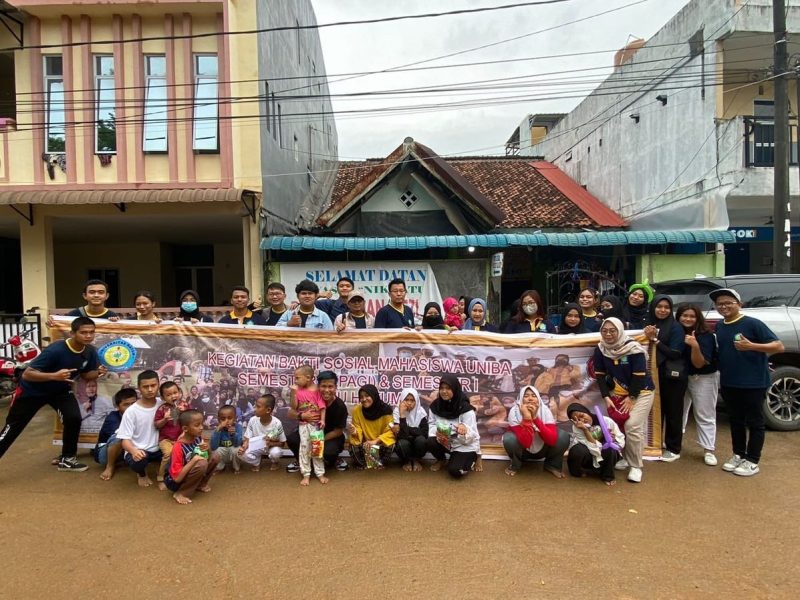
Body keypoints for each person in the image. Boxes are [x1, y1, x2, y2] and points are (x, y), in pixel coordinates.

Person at [0, 316, 102, 472]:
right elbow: (28, 374)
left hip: (60, 391)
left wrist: (99, 373)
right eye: (83, 332)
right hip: (32, 391)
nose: (88, 336)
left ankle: (67, 459)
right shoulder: (56, 349)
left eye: (91, 332)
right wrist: (54, 376)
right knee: (13, 428)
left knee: (73, 418)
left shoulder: (90, 352)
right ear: (73, 333)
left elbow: (87, 375)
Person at [711, 288, 783, 477]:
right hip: (729, 382)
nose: (724, 306)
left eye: (728, 302)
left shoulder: (752, 324)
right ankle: (738, 455)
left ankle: (752, 460)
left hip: (753, 382)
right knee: (735, 420)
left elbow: (778, 346)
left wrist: (752, 346)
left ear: (739, 304)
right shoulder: (720, 326)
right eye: (720, 304)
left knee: (755, 422)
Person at [593, 317, 654, 483]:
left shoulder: (633, 348)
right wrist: (606, 396)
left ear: (620, 331)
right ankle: (625, 457)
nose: (608, 334)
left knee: (632, 425)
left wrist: (632, 397)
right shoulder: (601, 348)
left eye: (612, 330)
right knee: (618, 425)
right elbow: (599, 374)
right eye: (605, 331)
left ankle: (635, 466)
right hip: (616, 393)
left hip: (642, 392)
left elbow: (639, 374)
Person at [643, 294, 686, 462]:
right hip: (653, 375)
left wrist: (655, 340)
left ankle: (674, 448)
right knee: (654, 410)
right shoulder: (647, 325)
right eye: (659, 306)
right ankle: (655, 444)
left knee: (673, 412)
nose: (662, 310)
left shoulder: (675, 327)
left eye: (666, 307)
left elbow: (675, 353)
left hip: (671, 377)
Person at [676, 303, 719, 466]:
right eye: (684, 315)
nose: (687, 319)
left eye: (692, 316)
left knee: (704, 413)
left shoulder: (705, 335)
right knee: (678, 412)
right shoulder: (676, 331)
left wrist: (694, 345)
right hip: (682, 377)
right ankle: (675, 443)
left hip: (703, 377)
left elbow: (700, 363)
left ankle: (708, 449)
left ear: (698, 318)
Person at [286, 370, 349, 473]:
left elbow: (338, 431)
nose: (327, 390)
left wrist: (317, 440)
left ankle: (333, 460)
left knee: (330, 452)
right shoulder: (309, 398)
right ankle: (301, 461)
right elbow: (289, 413)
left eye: (330, 386)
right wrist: (301, 415)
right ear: (318, 386)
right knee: (292, 439)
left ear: (335, 387)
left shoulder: (340, 406)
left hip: (330, 436)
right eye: (323, 386)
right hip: (308, 431)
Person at [502, 385, 569, 477]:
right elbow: (526, 443)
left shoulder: (545, 410)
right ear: (521, 399)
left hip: (544, 450)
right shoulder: (514, 412)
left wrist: (535, 418)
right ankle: (516, 465)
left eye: (534, 396)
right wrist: (527, 418)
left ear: (538, 398)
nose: (530, 399)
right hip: (523, 450)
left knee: (563, 436)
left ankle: (552, 465)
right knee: (509, 438)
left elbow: (552, 440)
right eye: (526, 396)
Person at [116, 370, 163, 487]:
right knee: (139, 461)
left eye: (153, 385)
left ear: (159, 385)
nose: (150, 389)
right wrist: (133, 451)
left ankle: (160, 467)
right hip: (140, 450)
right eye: (146, 386)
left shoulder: (163, 404)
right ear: (139, 388)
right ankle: (141, 474)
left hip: (160, 449)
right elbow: (125, 440)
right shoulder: (131, 411)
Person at [426, 374, 480, 478]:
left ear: (455, 389)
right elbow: (431, 424)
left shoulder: (466, 409)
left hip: (463, 445)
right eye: (441, 388)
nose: (444, 391)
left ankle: (474, 457)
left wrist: (464, 431)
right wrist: (437, 433)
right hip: (445, 442)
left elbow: (473, 436)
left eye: (448, 388)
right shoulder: (435, 406)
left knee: (455, 472)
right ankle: (441, 459)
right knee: (429, 441)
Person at [163, 409, 219, 505]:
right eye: (197, 425)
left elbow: (209, 457)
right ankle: (181, 493)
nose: (201, 428)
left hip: (190, 474)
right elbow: (177, 478)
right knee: (201, 463)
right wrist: (194, 460)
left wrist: (208, 449)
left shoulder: (198, 438)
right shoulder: (178, 447)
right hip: (174, 482)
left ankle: (200, 484)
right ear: (185, 429)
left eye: (202, 424)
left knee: (215, 456)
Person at [566, 402, 625, 486]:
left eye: (582, 415)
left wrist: (613, 440)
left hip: (607, 456)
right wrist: (585, 430)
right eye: (578, 419)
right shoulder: (577, 428)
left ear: (586, 411)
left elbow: (620, 440)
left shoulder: (606, 421)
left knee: (610, 449)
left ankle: (607, 475)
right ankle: (577, 472)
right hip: (591, 453)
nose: (582, 420)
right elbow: (592, 447)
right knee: (577, 450)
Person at [290, 365, 328, 485]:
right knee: (304, 448)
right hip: (303, 425)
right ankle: (306, 474)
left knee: (317, 448)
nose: (295, 381)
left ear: (308, 377)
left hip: (316, 425)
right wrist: (293, 392)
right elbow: (293, 407)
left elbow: (322, 407)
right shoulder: (298, 390)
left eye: (297, 378)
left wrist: (322, 420)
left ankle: (320, 473)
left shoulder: (317, 390)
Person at [348, 384, 395, 469]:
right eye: (361, 397)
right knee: (352, 443)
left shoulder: (386, 410)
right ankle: (364, 464)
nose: (364, 399)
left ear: (374, 396)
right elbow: (357, 429)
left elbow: (390, 431)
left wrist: (375, 441)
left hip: (380, 444)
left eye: (367, 396)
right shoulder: (357, 411)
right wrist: (355, 432)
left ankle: (378, 463)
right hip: (365, 445)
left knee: (391, 443)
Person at [94, 387, 137, 481]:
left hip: (124, 451)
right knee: (120, 437)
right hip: (103, 454)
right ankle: (110, 466)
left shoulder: (139, 414)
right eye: (126, 404)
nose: (130, 407)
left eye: (133, 403)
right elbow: (122, 438)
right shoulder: (112, 417)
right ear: (117, 406)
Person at [238, 394, 286, 473]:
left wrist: (271, 443)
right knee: (241, 453)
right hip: (257, 447)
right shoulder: (252, 420)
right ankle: (256, 462)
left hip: (271, 447)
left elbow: (282, 443)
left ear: (268, 410)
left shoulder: (277, 423)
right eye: (255, 406)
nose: (254, 409)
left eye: (258, 407)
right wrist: (245, 445)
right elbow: (247, 438)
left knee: (276, 453)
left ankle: (275, 462)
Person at [155, 381, 184, 490]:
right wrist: (165, 419)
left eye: (175, 393)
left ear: (179, 392)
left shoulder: (185, 405)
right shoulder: (162, 409)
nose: (173, 396)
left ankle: (179, 476)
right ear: (162, 397)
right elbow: (157, 425)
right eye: (168, 395)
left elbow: (191, 418)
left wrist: (184, 413)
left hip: (181, 438)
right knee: (169, 454)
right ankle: (160, 478)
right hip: (165, 439)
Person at [391, 388, 428, 472]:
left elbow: (425, 433)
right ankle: (407, 461)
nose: (409, 403)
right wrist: (402, 415)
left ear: (417, 401)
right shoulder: (397, 412)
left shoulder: (421, 412)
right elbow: (401, 436)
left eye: (412, 400)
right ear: (401, 400)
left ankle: (416, 460)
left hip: (416, 442)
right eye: (406, 400)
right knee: (402, 443)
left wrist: (406, 429)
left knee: (421, 440)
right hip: (405, 443)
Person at [211, 404, 243, 473]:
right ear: (219, 420)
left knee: (237, 450)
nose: (226, 421)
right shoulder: (218, 429)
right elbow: (213, 447)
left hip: (233, 450)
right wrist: (218, 430)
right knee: (216, 451)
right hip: (224, 452)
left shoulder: (238, 427)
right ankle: (220, 467)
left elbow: (237, 444)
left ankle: (236, 468)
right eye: (223, 419)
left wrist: (234, 435)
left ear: (235, 418)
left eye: (229, 418)